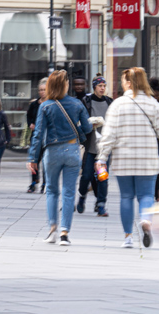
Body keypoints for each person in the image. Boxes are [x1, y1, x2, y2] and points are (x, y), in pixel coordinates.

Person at [97, 68, 159, 248]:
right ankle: (146, 221)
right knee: (146, 195)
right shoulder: (153, 104)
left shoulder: (117, 104)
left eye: (123, 80)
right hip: (147, 159)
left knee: (126, 196)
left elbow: (108, 135)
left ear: (129, 83)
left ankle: (128, 237)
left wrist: (101, 158)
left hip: (123, 159)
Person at [27, 70, 91, 246]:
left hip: (52, 152)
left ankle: (52, 229)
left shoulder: (45, 106)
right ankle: (65, 233)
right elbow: (87, 128)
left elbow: (38, 134)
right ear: (65, 85)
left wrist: (32, 157)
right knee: (69, 193)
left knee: (52, 191)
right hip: (72, 150)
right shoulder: (77, 104)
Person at [76, 75, 112, 217]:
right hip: (90, 147)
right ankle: (82, 197)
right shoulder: (86, 101)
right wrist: (89, 124)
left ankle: (101, 204)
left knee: (102, 177)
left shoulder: (110, 102)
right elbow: (81, 120)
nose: (102, 88)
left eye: (104, 86)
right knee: (86, 176)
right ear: (94, 87)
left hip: (103, 149)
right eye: (100, 86)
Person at [26, 79, 48, 193]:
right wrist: (31, 124)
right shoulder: (34, 104)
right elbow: (29, 116)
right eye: (40, 90)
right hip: (36, 136)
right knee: (34, 160)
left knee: (46, 162)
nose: (42, 92)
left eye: (44, 90)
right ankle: (34, 182)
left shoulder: (50, 103)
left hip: (47, 137)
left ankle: (45, 183)